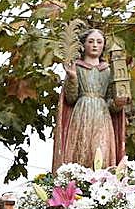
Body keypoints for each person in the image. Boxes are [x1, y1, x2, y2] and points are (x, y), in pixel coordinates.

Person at [52, 28, 128, 170]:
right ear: (83, 44)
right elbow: (70, 99)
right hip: (81, 115)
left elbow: (111, 103)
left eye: (99, 42)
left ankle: (102, 182)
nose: (95, 45)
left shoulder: (108, 70)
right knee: (81, 150)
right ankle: (78, 181)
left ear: (103, 46)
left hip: (102, 116)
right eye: (91, 41)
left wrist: (118, 103)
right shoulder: (76, 68)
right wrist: (72, 78)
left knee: (101, 152)